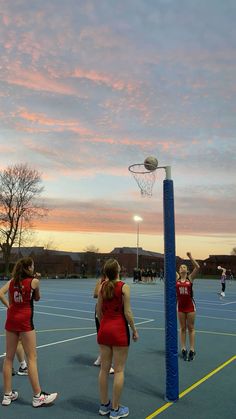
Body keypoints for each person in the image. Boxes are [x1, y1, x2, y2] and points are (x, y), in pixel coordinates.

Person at [1, 256, 58, 407]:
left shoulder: (12, 282)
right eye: (32, 266)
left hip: (11, 320)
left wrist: (9, 305)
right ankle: (37, 396)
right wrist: (35, 280)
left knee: (8, 358)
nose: (34, 268)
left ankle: (7, 395)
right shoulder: (34, 281)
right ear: (28, 268)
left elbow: (2, 293)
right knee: (32, 358)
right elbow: (37, 298)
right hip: (25, 322)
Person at [97, 258, 139, 419]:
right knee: (119, 370)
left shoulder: (102, 287)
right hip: (119, 330)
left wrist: (103, 326)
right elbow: (127, 313)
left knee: (104, 370)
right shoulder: (123, 287)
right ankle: (115, 409)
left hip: (104, 330)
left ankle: (104, 405)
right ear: (117, 270)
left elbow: (99, 311)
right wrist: (134, 330)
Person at [176, 252, 200, 362]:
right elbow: (169, 267)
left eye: (184, 266)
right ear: (179, 270)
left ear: (187, 270)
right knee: (182, 328)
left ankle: (192, 349)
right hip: (180, 306)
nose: (182, 268)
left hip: (190, 306)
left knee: (191, 328)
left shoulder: (190, 278)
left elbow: (197, 267)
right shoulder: (176, 278)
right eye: (181, 267)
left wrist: (190, 257)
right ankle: (183, 348)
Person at [0, 282, 28, 376]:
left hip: (18, 314)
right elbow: (0, 293)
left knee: (17, 340)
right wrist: (9, 306)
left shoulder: (19, 280)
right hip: (18, 315)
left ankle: (21, 366)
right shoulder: (15, 280)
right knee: (15, 341)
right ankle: (12, 366)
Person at [93, 271, 114, 374]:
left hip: (110, 313)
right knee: (102, 337)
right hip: (100, 312)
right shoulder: (101, 282)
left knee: (108, 339)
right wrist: (103, 287)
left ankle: (102, 357)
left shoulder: (115, 283)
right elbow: (95, 294)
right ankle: (106, 363)